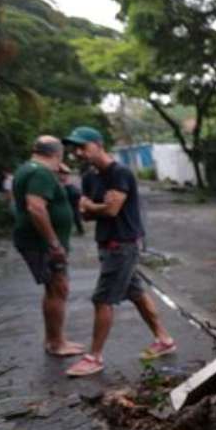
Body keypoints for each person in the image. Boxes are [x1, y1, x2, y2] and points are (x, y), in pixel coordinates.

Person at [61, 126, 175, 378]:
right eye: (75, 148)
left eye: (83, 146)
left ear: (98, 144)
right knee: (135, 293)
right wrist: (95, 206)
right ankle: (164, 339)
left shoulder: (119, 173)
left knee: (102, 300)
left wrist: (93, 206)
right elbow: (86, 213)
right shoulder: (90, 177)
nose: (79, 152)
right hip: (107, 244)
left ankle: (94, 357)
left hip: (121, 246)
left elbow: (111, 211)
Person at [11, 136, 85, 357]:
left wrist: (60, 176)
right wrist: (54, 243)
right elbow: (36, 208)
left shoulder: (29, 169)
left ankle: (54, 340)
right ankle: (56, 344)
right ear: (57, 154)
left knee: (53, 290)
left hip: (36, 241)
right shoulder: (40, 173)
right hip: (42, 244)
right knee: (58, 288)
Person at [58, 162, 85, 236]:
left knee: (74, 212)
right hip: (71, 190)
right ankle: (79, 229)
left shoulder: (65, 174)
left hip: (71, 191)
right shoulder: (62, 172)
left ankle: (80, 229)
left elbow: (66, 173)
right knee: (74, 212)